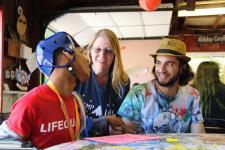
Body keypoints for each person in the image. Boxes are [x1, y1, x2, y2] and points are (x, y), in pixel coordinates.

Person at [0, 32, 90, 149]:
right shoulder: (30, 103)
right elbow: (3, 143)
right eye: (82, 53)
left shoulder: (76, 101)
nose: (89, 60)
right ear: (67, 55)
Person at [118, 38, 205, 134]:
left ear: (182, 68)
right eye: (158, 63)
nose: (161, 70)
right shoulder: (138, 93)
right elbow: (126, 135)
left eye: (169, 64)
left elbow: (198, 136)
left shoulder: (193, 95)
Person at [76, 29, 131, 137]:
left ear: (115, 55)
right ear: (90, 51)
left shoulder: (123, 82)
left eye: (108, 51)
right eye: (97, 49)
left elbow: (120, 119)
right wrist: (104, 122)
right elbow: (69, 122)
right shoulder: (77, 76)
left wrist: (116, 129)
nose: (102, 55)